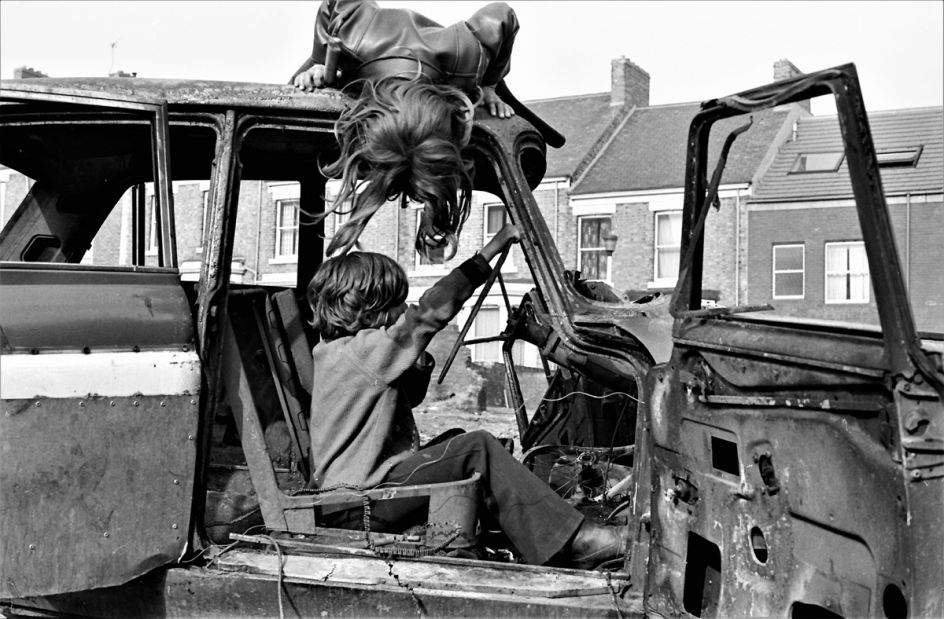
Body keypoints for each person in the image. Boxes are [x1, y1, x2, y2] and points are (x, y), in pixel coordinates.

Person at [306, 223, 627, 567]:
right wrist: (489, 251)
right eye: (397, 303)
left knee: (458, 441)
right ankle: (578, 542)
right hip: (360, 506)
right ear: (366, 309)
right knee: (476, 448)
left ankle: (534, 530)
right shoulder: (363, 351)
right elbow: (426, 316)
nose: (404, 308)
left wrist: (416, 358)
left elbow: (408, 397)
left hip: (354, 499)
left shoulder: (339, 352)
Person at [290, 0, 560, 259]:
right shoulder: (353, 35)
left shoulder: (465, 54)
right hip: (365, 52)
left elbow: (503, 15)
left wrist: (489, 84)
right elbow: (501, 14)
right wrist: (320, 60)